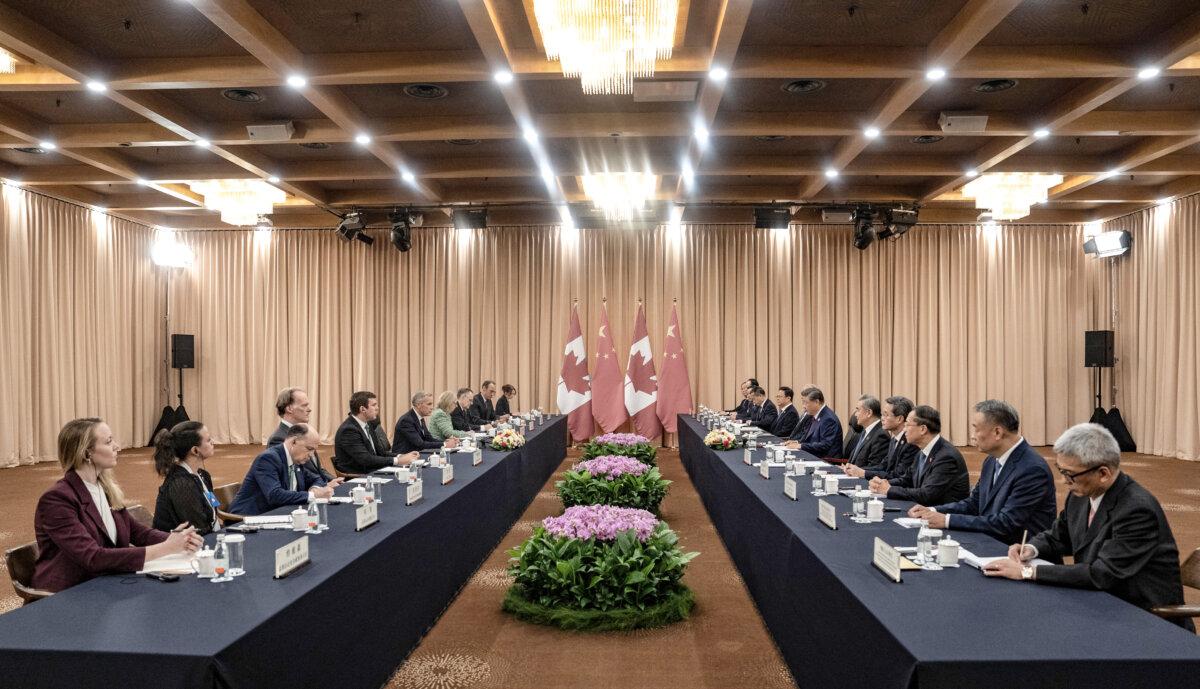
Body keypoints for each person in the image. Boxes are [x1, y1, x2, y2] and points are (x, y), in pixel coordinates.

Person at [984, 423, 1194, 632]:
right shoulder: (1080, 494)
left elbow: (1101, 574)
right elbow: (1059, 536)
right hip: (1100, 601)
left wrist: (1027, 572)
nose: (1064, 481)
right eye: (1061, 471)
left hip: (1144, 618)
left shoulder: (1137, 510)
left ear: (1103, 473)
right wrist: (1031, 548)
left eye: (1070, 474)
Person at [33, 418, 203, 592]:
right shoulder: (57, 499)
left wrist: (178, 539)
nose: (117, 447)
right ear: (86, 453)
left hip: (105, 583)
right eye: (108, 442)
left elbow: (136, 532)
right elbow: (93, 557)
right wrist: (165, 548)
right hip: (70, 592)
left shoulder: (104, 488)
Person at [909, 400, 1057, 544]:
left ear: (997, 432)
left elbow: (1006, 522)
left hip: (1020, 556)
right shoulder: (991, 460)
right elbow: (974, 503)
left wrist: (947, 520)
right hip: (990, 543)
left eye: (976, 429)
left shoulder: (1032, 469)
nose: (972, 436)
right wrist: (932, 510)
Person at [230, 424, 342, 516]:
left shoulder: (296, 459)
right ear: (293, 442)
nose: (311, 455)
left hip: (278, 514)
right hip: (248, 518)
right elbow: (275, 495)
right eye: (309, 449)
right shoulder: (268, 459)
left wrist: (314, 489)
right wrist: (313, 496)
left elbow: (317, 478)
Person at [869, 405, 968, 504]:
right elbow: (907, 479)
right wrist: (882, 483)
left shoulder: (946, 457)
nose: (904, 430)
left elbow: (927, 494)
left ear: (923, 429)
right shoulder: (922, 451)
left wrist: (889, 490)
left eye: (907, 425)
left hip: (940, 514)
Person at [151, 420, 221, 535]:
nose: (212, 442)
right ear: (195, 450)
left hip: (204, 537)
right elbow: (197, 528)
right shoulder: (181, 484)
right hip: (177, 547)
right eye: (208, 440)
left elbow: (213, 510)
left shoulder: (203, 475)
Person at [334, 391, 417, 474]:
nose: (377, 408)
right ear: (363, 409)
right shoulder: (349, 430)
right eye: (374, 405)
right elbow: (366, 459)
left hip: (372, 470)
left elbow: (380, 453)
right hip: (359, 476)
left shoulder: (368, 424)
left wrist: (401, 456)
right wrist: (398, 461)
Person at [843, 396, 918, 481]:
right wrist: (858, 470)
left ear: (899, 419)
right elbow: (882, 466)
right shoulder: (894, 440)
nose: (882, 418)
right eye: (882, 414)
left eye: (886, 415)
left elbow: (897, 475)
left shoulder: (910, 443)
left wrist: (863, 473)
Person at [267, 387, 332, 481]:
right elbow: (296, 475)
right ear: (289, 408)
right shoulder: (279, 439)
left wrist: (338, 482)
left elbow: (318, 470)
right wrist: (322, 485)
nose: (309, 409)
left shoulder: (304, 433)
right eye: (304, 406)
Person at [783, 387, 843, 458]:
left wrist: (800, 446)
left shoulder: (828, 419)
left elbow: (825, 445)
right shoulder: (815, 415)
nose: (803, 406)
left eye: (806, 403)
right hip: (813, 455)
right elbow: (809, 439)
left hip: (825, 460)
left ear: (816, 402)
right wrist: (797, 442)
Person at [394, 391, 462, 454]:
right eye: (429, 404)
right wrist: (445, 444)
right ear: (418, 405)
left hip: (416, 454)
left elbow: (429, 438)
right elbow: (420, 444)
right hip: (403, 457)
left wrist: (446, 442)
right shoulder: (406, 420)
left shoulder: (420, 418)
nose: (432, 407)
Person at [845, 395, 890, 469]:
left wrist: (852, 470)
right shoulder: (865, 431)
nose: (855, 414)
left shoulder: (881, 435)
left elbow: (874, 467)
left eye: (858, 410)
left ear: (869, 413)